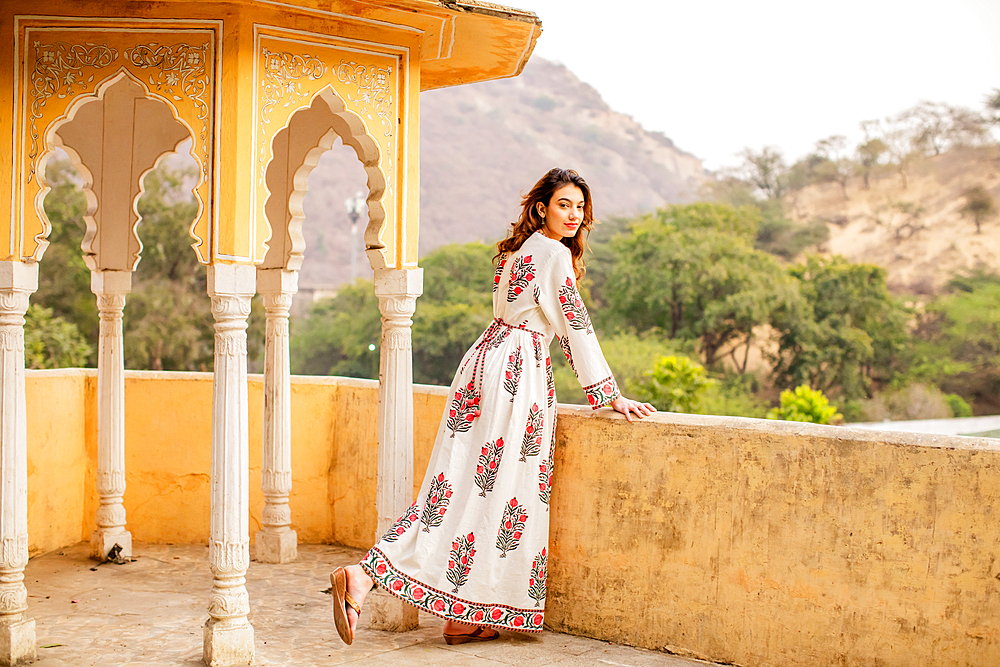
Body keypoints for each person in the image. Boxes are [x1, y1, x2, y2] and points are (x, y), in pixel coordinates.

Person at [330, 168, 655, 646]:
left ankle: (464, 614)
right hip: (516, 373)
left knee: (456, 488)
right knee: (501, 494)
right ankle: (365, 576)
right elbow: (575, 326)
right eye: (564, 204)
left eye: (580, 207)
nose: (574, 214)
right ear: (541, 207)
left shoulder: (516, 254)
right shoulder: (553, 254)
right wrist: (608, 395)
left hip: (483, 363)